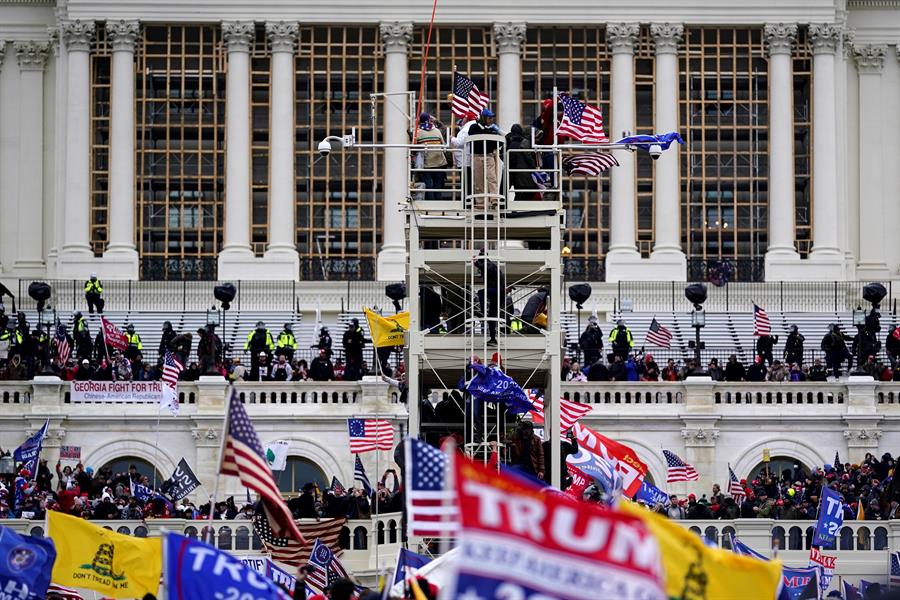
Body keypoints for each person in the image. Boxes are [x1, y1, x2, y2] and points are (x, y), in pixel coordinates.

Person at [414, 112, 448, 200]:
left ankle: (431, 202)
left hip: (427, 164)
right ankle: (438, 204)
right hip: (440, 163)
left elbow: (414, 148)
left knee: (429, 185)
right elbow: (444, 145)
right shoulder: (437, 131)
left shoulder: (417, 133)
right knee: (438, 186)